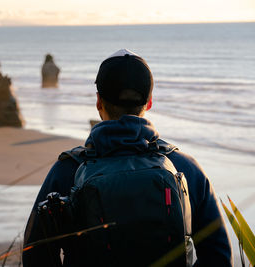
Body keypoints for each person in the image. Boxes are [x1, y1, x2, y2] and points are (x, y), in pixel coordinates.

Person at [23, 49, 233, 266]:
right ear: (149, 102)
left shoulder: (67, 171)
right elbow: (219, 258)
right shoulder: (185, 168)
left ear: (98, 102)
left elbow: (34, 255)